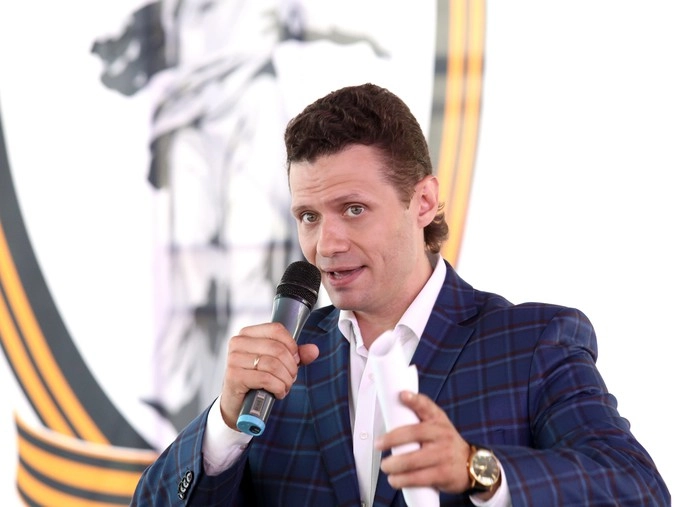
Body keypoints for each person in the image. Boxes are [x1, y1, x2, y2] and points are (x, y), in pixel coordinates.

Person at [131, 83, 670, 506]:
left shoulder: (532, 343)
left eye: (354, 209)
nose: (326, 244)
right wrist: (224, 427)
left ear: (423, 202)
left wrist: (477, 468)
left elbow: (636, 489)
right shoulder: (280, 368)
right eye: (309, 216)